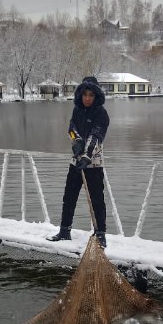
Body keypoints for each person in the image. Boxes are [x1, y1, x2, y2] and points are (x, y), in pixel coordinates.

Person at [47, 76, 110, 248]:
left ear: (96, 96)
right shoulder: (77, 110)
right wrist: (76, 142)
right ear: (80, 95)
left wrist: (86, 156)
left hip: (93, 163)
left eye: (91, 95)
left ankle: (100, 234)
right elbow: (72, 129)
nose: (87, 98)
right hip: (76, 162)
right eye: (84, 94)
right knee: (69, 197)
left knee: (97, 199)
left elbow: (96, 137)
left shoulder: (101, 114)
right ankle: (64, 230)